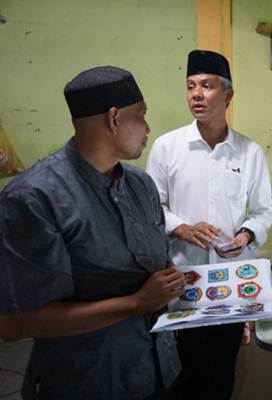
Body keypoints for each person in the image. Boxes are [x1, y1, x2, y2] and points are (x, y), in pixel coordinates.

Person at [0, 66, 185, 400]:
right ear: (114, 119)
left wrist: (177, 282)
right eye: (141, 115)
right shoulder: (34, 198)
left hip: (155, 368)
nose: (147, 128)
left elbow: (153, 269)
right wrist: (135, 303)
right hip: (88, 381)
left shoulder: (140, 185)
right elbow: (15, 324)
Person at [146, 50, 272, 399]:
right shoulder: (166, 148)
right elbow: (149, 208)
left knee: (222, 370)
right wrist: (181, 228)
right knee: (184, 371)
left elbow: (264, 210)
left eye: (207, 85)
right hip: (182, 280)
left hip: (231, 281)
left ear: (228, 95)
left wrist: (246, 234)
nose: (197, 95)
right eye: (190, 86)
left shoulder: (249, 152)